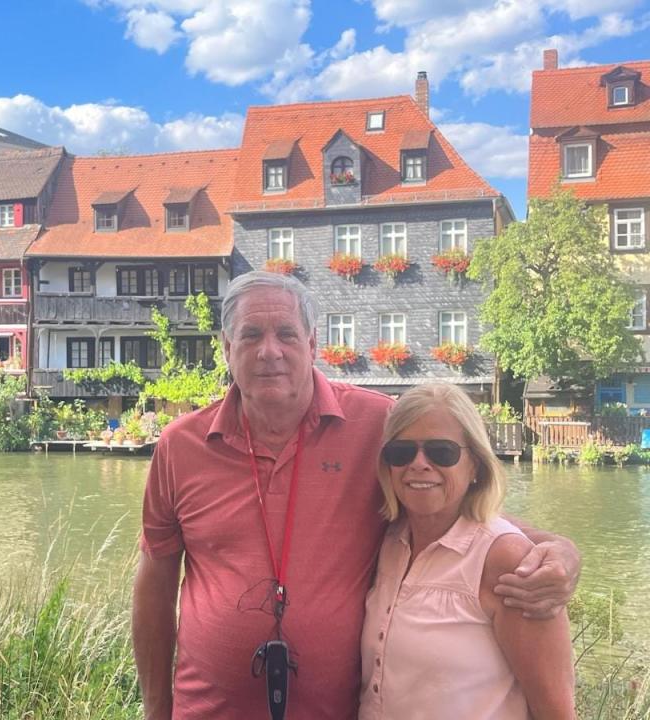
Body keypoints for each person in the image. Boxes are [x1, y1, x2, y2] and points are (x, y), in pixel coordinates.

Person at [133, 271, 579, 720]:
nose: (270, 351)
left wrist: (556, 547)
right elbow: (155, 585)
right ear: (227, 349)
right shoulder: (180, 446)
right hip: (205, 711)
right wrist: (156, 709)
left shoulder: (377, 427)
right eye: (251, 335)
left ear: (312, 345)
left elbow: (454, 502)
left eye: (286, 333)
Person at [359, 384, 575, 719]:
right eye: (401, 452)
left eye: (441, 452)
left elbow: (555, 711)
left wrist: (565, 548)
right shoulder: (389, 542)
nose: (418, 464)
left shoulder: (507, 562)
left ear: (475, 465)